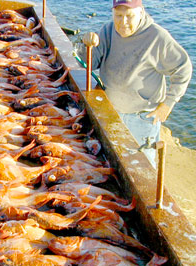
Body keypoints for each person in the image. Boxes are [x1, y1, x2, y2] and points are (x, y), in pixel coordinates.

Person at [78, 0, 192, 168]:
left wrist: (168, 103)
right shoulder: (107, 31)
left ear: (141, 13)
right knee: (109, 160)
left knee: (142, 165)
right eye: (118, 15)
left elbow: (183, 68)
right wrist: (86, 45)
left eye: (129, 16)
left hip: (142, 118)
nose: (123, 22)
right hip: (111, 111)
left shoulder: (157, 37)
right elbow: (89, 63)